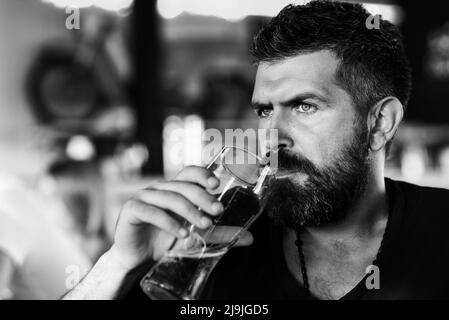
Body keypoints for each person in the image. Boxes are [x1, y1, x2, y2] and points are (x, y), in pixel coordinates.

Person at [64, 1, 449, 300]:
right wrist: (118, 264)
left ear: (380, 123)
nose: (271, 136)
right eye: (265, 110)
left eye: (304, 106)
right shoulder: (217, 243)